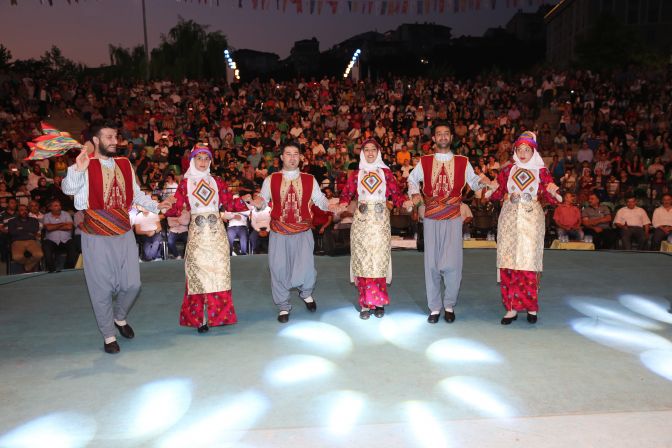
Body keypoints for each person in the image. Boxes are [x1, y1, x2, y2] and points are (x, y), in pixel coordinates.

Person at [61, 120, 172, 354]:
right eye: (110, 137)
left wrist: (158, 206)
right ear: (95, 141)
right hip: (96, 236)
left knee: (133, 284)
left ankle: (119, 318)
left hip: (124, 232)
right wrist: (78, 169)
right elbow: (69, 191)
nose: (115, 141)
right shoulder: (84, 164)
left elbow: (136, 193)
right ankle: (108, 335)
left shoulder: (124, 163)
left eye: (116, 137)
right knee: (101, 288)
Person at [407, 122, 492, 324]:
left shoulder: (463, 161)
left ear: (451, 137)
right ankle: (434, 307)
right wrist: (418, 201)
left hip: (454, 216)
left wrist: (487, 184)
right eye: (439, 134)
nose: (443, 137)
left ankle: (449, 305)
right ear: (434, 139)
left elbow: (474, 182)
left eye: (446, 134)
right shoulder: (425, 161)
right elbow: (411, 180)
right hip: (430, 216)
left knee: (453, 263)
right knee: (432, 264)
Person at [164, 144, 250, 333]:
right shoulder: (184, 183)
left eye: (206, 158)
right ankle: (200, 318)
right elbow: (175, 206)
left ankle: (218, 316)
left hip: (217, 234)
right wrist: (162, 206)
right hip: (197, 235)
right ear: (192, 160)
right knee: (197, 275)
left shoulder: (217, 181)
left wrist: (249, 201)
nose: (203, 162)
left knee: (219, 273)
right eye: (199, 158)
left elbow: (229, 202)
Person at [486, 132, 561, 325]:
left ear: (533, 151)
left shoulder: (541, 171)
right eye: (519, 149)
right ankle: (510, 308)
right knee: (508, 261)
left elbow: (549, 189)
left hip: (531, 219)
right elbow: (498, 189)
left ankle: (531, 307)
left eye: (527, 150)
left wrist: (553, 190)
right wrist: (490, 189)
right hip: (509, 218)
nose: (522, 153)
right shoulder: (508, 170)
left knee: (529, 261)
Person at [258, 143, 330, 323]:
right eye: (288, 154)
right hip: (278, 232)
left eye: (295, 154)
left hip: (303, 231)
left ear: (300, 157)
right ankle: (283, 306)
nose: (292, 157)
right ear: (281, 157)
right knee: (278, 269)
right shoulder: (270, 179)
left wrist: (331, 205)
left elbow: (320, 200)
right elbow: (262, 201)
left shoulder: (309, 179)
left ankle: (306, 294)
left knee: (306, 268)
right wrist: (256, 201)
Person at [339, 139, 406, 319]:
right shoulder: (356, 174)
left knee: (379, 260)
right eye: (366, 150)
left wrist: (405, 202)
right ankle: (365, 304)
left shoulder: (386, 173)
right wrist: (341, 204)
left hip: (380, 222)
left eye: (373, 150)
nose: (369, 153)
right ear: (362, 153)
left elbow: (396, 194)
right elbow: (346, 193)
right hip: (361, 222)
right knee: (362, 260)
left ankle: (379, 302)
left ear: (378, 152)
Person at [42, 199, 77, 272]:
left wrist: (53, 226)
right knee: (46, 247)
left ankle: (67, 269)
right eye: (56, 206)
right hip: (51, 240)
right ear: (50, 208)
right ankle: (52, 270)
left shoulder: (66, 214)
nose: (59, 207)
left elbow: (69, 227)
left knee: (73, 247)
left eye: (59, 205)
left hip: (66, 240)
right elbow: (48, 228)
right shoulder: (46, 216)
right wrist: (63, 223)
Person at [7, 204, 43, 273]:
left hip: (31, 241)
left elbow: (35, 229)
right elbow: (12, 232)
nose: (24, 211)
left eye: (26, 210)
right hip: (17, 242)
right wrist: (28, 231)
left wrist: (20, 228)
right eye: (21, 210)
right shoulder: (12, 221)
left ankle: (27, 267)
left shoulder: (34, 220)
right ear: (18, 212)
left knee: (39, 255)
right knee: (16, 257)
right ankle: (30, 265)